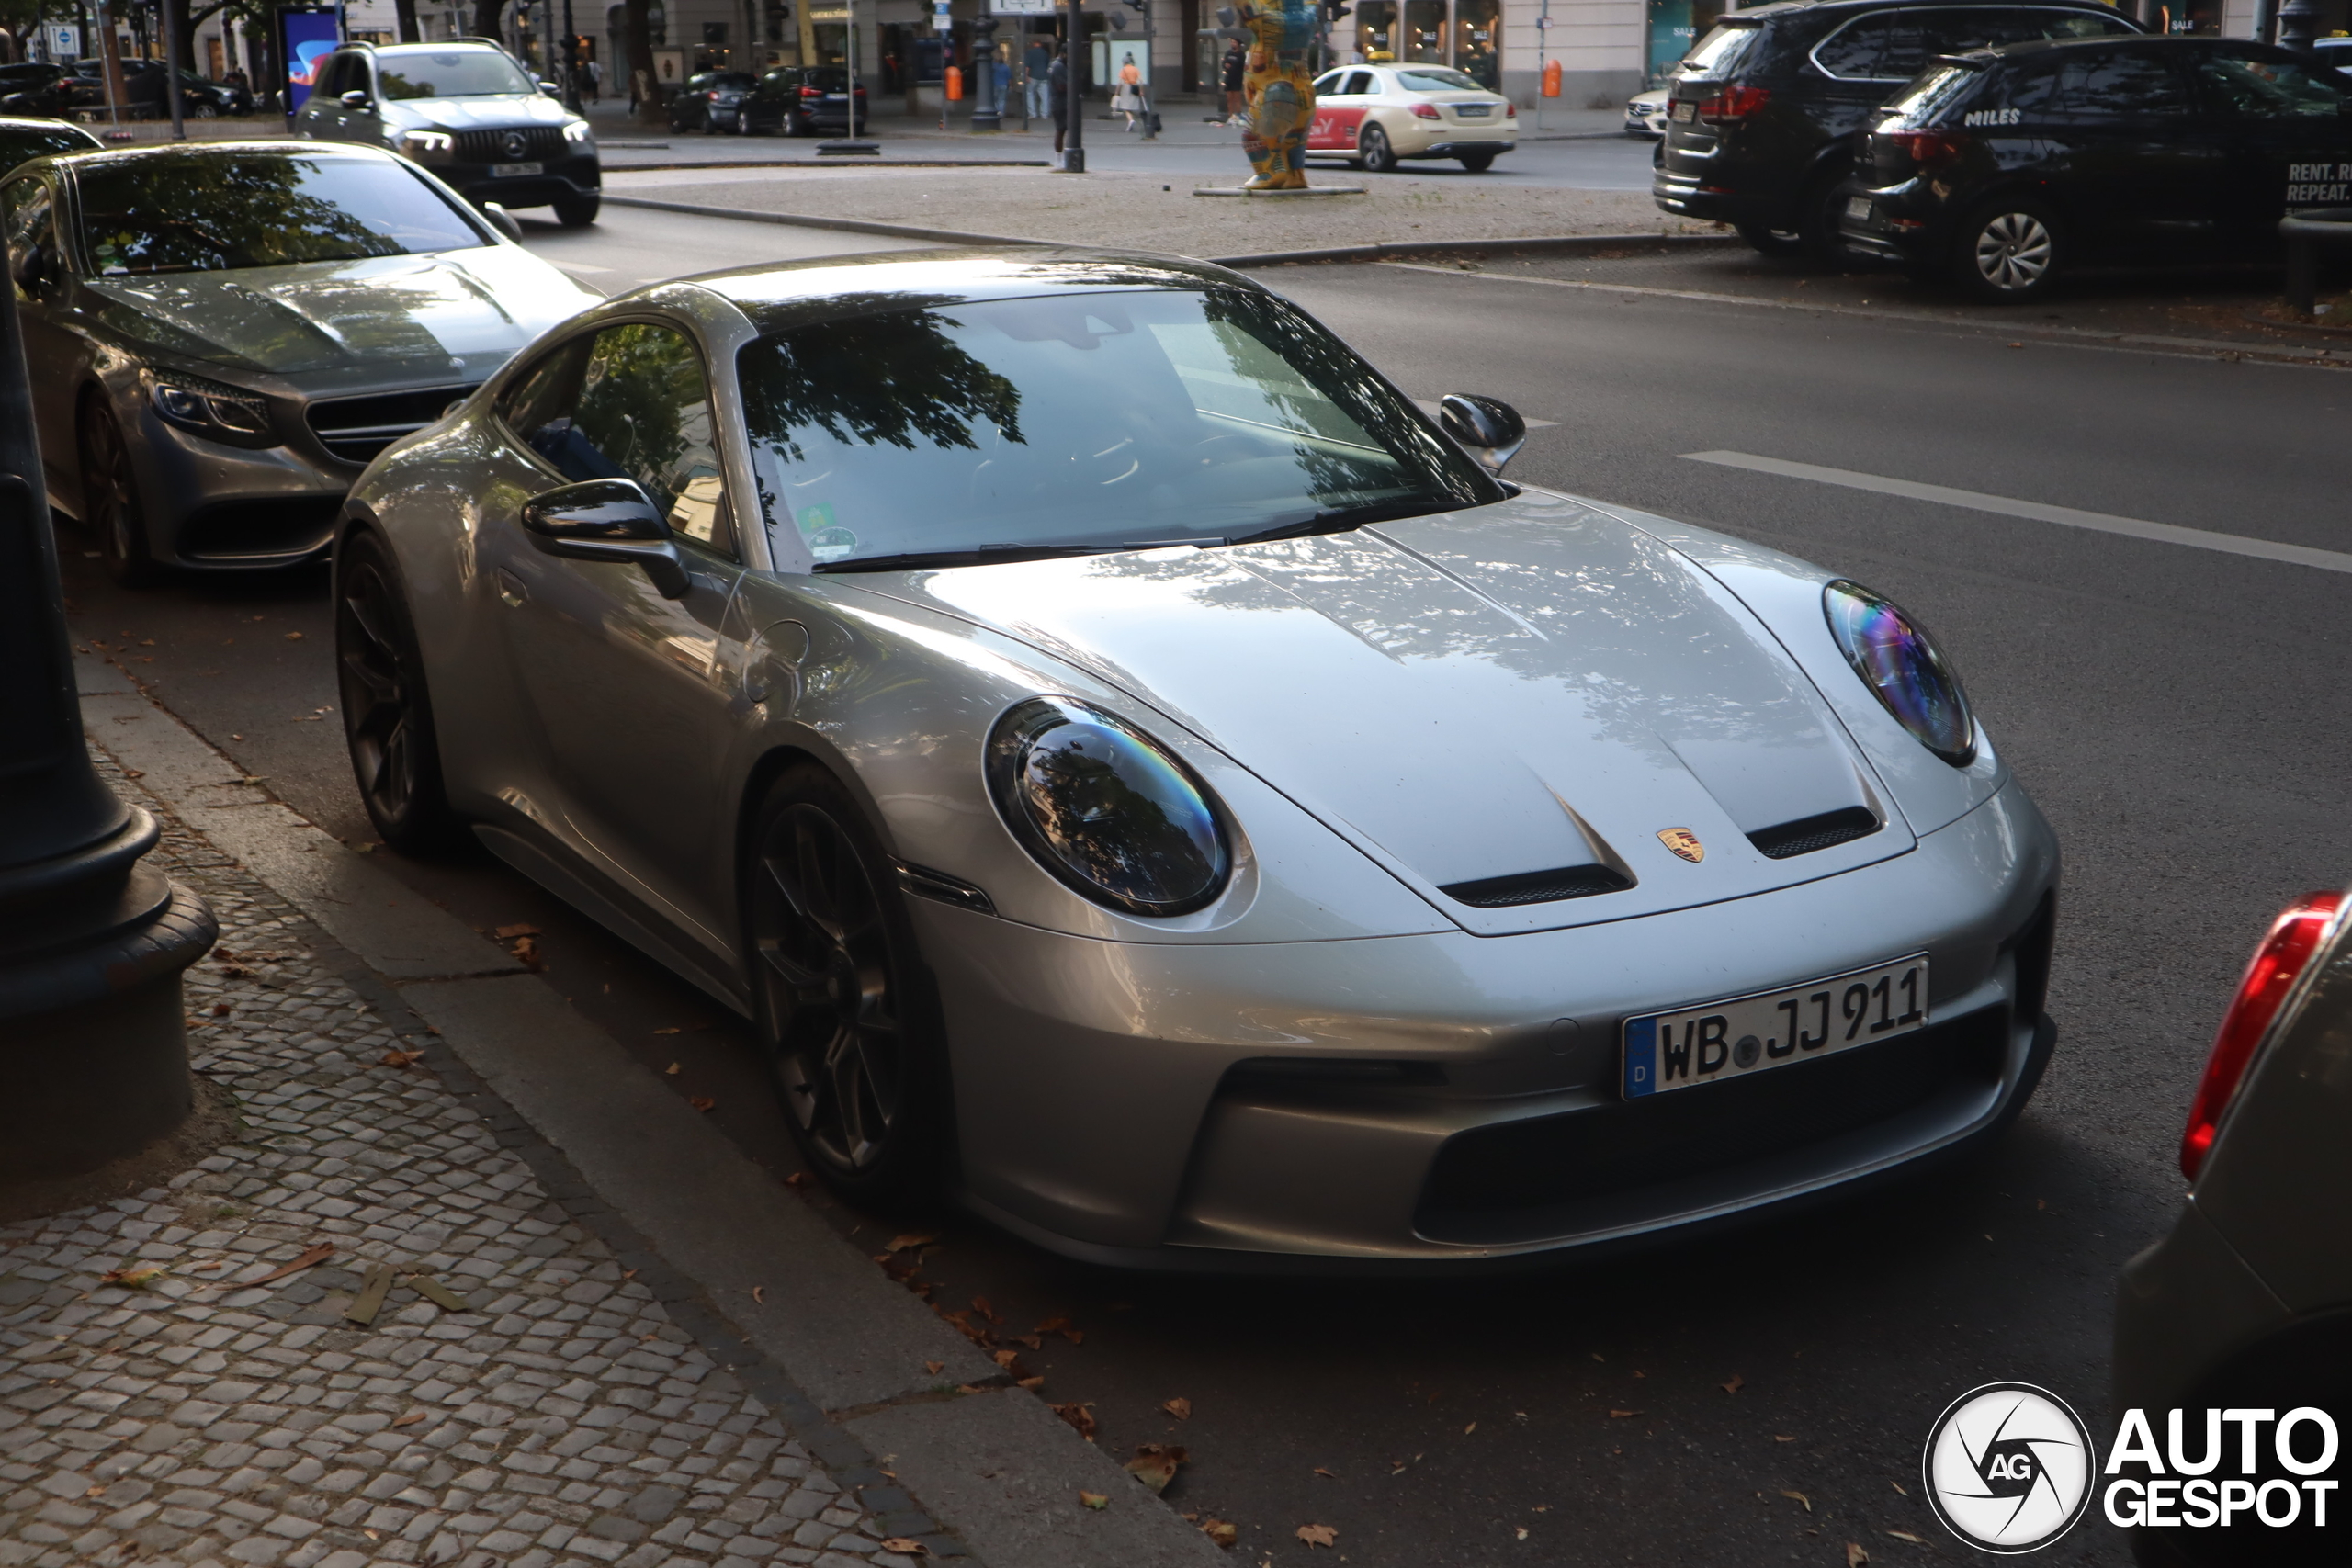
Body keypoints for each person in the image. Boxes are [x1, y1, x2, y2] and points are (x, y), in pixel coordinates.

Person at [1114, 51, 1142, 130]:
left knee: (1125, 107)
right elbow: (1140, 81)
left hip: (1126, 88)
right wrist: (1141, 90)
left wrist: (1117, 91)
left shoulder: (1123, 70)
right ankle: (1131, 121)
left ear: (1124, 62)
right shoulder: (1135, 69)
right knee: (1132, 106)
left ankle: (1130, 120)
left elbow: (1120, 82)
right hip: (1135, 87)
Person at [1024, 38, 1051, 120]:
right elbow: (1047, 65)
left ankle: (1033, 114)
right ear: (1041, 45)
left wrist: (1026, 76)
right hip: (1044, 77)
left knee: (1030, 94)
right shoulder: (1045, 53)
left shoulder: (1030, 53)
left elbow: (1027, 66)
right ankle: (1044, 114)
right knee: (1045, 96)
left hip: (1033, 76)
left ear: (1033, 44)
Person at [1219, 38, 1244, 124]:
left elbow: (1243, 65)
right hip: (1228, 78)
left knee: (1237, 97)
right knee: (1229, 98)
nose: (1232, 44)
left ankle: (1238, 115)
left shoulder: (1241, 54)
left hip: (1237, 78)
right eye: (1232, 42)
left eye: (1234, 42)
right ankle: (1230, 116)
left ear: (1238, 44)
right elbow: (1223, 63)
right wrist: (1225, 65)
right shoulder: (1228, 53)